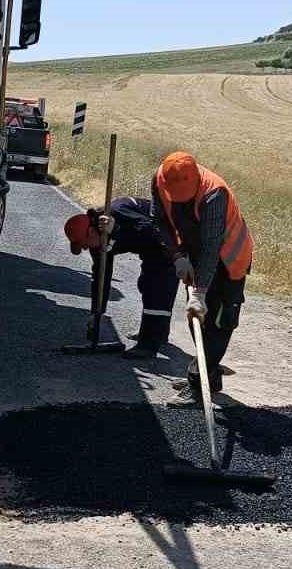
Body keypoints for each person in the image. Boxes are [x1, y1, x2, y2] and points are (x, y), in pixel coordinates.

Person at [150, 150, 253, 402]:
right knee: (197, 318)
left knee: (219, 321)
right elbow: (158, 220)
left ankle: (197, 386)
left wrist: (199, 292)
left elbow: (211, 247)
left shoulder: (213, 193)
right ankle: (209, 376)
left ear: (196, 181)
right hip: (196, 255)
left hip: (229, 259)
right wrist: (177, 256)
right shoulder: (160, 179)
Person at [64, 196, 178, 357]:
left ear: (90, 232)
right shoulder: (96, 241)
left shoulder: (118, 212)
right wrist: (96, 312)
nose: (83, 248)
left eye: (82, 244)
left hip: (168, 242)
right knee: (146, 285)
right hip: (149, 249)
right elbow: (101, 276)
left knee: (157, 289)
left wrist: (116, 229)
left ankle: (148, 345)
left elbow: (152, 230)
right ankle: (157, 334)